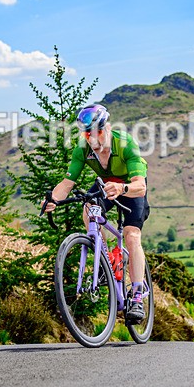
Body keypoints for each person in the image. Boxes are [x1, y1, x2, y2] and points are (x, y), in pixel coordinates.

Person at [42, 104, 150, 321]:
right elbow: (67, 183)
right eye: (88, 133)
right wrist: (52, 200)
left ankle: (137, 295)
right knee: (88, 211)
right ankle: (105, 262)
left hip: (130, 185)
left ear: (107, 127)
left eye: (98, 132)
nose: (93, 138)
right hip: (105, 183)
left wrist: (123, 188)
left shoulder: (126, 144)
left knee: (131, 234)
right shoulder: (82, 148)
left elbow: (141, 186)